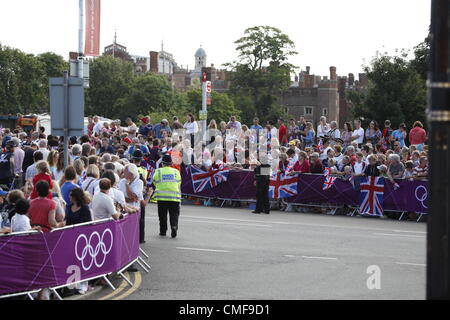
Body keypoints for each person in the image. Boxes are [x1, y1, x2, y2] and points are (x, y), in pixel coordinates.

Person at [152, 155, 182, 237]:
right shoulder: (176, 172)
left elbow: (154, 181)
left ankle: (163, 231)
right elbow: (179, 182)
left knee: (162, 215)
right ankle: (174, 226)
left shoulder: (158, 171)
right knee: (174, 214)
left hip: (162, 197)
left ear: (162, 163)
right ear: (171, 163)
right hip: (174, 197)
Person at [119, 164, 145, 242]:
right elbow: (120, 198)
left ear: (131, 174)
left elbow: (133, 197)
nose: (123, 174)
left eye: (125, 172)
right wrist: (127, 199)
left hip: (133, 211)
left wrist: (127, 185)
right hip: (123, 210)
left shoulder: (139, 182)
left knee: (132, 232)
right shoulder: (121, 181)